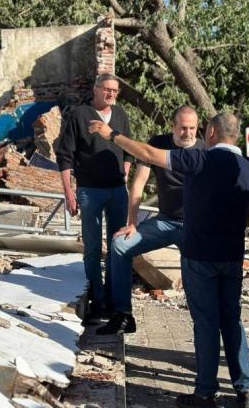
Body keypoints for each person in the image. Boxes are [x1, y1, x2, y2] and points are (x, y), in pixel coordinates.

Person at [89, 112, 249, 408]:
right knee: (231, 320)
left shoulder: (197, 159)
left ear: (209, 132)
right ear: (236, 135)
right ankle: (245, 390)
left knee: (206, 323)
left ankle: (205, 393)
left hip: (200, 255)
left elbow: (145, 153)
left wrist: (111, 135)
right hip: (232, 256)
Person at [96, 105, 203, 335]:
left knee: (196, 281)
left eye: (192, 128)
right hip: (165, 221)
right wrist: (132, 222)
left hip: (195, 227)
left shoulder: (205, 150)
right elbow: (138, 183)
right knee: (121, 245)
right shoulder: (157, 143)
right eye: (183, 128)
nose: (188, 133)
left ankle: (203, 332)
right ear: (173, 127)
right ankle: (123, 315)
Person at [56, 73, 132, 321]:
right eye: (107, 90)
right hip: (89, 190)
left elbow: (129, 150)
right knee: (92, 247)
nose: (111, 94)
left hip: (118, 190)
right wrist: (69, 191)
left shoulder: (121, 115)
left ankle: (113, 297)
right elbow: (65, 155)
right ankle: (97, 299)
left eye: (115, 91)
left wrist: (126, 175)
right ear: (96, 89)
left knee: (117, 246)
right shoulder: (79, 115)